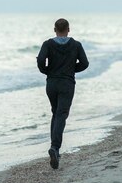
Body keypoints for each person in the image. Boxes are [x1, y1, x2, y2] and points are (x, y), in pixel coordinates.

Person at [36, 18, 89, 169]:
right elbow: (85, 64)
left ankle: (55, 150)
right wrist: (71, 70)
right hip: (67, 83)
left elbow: (40, 60)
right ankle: (55, 148)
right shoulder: (76, 45)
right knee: (61, 115)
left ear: (54, 30)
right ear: (69, 29)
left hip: (51, 83)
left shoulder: (48, 44)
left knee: (56, 113)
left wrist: (47, 71)